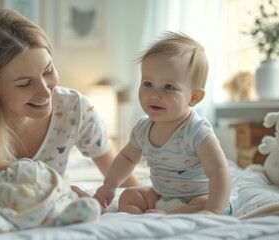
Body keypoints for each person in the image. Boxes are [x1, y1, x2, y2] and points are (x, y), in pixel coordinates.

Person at [0, 8, 142, 191]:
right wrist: (63, 189)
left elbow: (123, 180)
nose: (45, 91)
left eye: (48, 70)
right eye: (25, 83)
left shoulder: (76, 110)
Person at [93, 32, 231, 215]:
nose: (154, 94)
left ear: (194, 97)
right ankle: (150, 217)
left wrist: (215, 209)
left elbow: (219, 171)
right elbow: (127, 158)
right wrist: (110, 185)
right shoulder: (143, 128)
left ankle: (170, 216)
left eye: (168, 87)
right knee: (128, 196)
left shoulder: (196, 131)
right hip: (161, 196)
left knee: (202, 205)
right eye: (148, 84)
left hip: (198, 197)